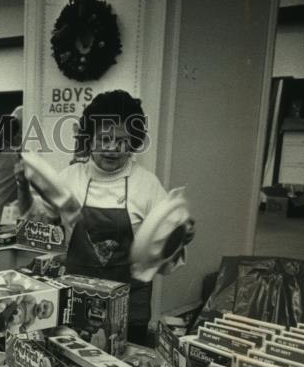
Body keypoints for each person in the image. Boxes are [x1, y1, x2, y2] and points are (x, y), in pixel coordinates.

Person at [18, 90, 195, 344]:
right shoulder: (70, 178)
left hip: (129, 311)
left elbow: (164, 258)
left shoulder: (146, 184)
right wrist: (22, 186)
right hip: (75, 304)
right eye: (104, 139)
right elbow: (36, 224)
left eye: (122, 140)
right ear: (89, 139)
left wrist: (181, 238)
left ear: (133, 141)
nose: (113, 148)